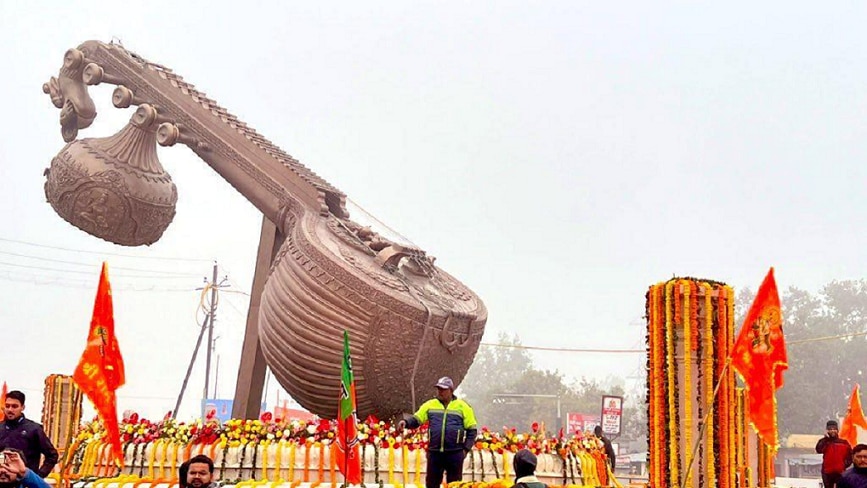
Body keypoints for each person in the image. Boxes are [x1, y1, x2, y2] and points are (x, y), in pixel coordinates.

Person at [397, 377, 478, 488]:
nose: (440, 391)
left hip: (455, 454)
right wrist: (405, 423)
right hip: (434, 453)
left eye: (443, 389)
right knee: (431, 485)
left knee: (454, 485)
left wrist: (465, 450)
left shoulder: (463, 407)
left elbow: (472, 431)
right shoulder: (430, 404)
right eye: (438, 389)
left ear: (451, 390)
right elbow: (417, 419)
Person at [0, 392, 58, 477]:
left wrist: (38, 477)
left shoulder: (34, 429)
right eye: (7, 406)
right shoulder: (1, 428)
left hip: (24, 482)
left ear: (22, 407)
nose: (10, 410)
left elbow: (52, 455)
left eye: (14, 406)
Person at [817, 420, 853, 488]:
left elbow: (850, 456)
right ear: (827, 430)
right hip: (827, 472)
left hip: (840, 472)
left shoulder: (843, 443)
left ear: (837, 430)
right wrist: (825, 439)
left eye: (834, 429)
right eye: (830, 429)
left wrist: (844, 465)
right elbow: (819, 450)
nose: (832, 431)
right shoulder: (825, 442)